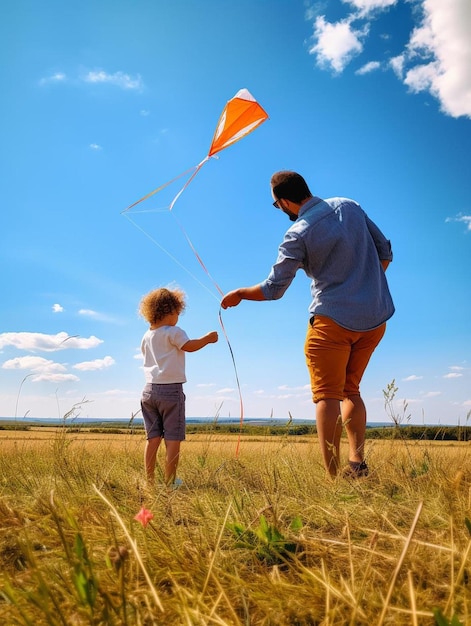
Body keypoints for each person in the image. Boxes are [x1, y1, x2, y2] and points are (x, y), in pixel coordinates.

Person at [221, 171, 394, 478]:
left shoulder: (297, 234)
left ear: (284, 201)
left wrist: (240, 295)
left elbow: (273, 289)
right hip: (374, 320)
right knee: (350, 390)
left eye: (277, 206)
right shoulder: (348, 205)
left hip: (331, 323)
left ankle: (332, 478)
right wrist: (363, 286)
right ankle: (357, 464)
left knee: (327, 395)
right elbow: (386, 253)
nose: (281, 211)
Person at [139, 287, 218, 486]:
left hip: (149, 391)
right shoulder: (173, 332)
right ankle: (169, 482)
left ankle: (149, 481)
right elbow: (188, 346)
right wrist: (207, 339)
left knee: (153, 438)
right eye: (177, 313)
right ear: (170, 311)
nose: (178, 318)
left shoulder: (147, 336)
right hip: (170, 391)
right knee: (173, 439)